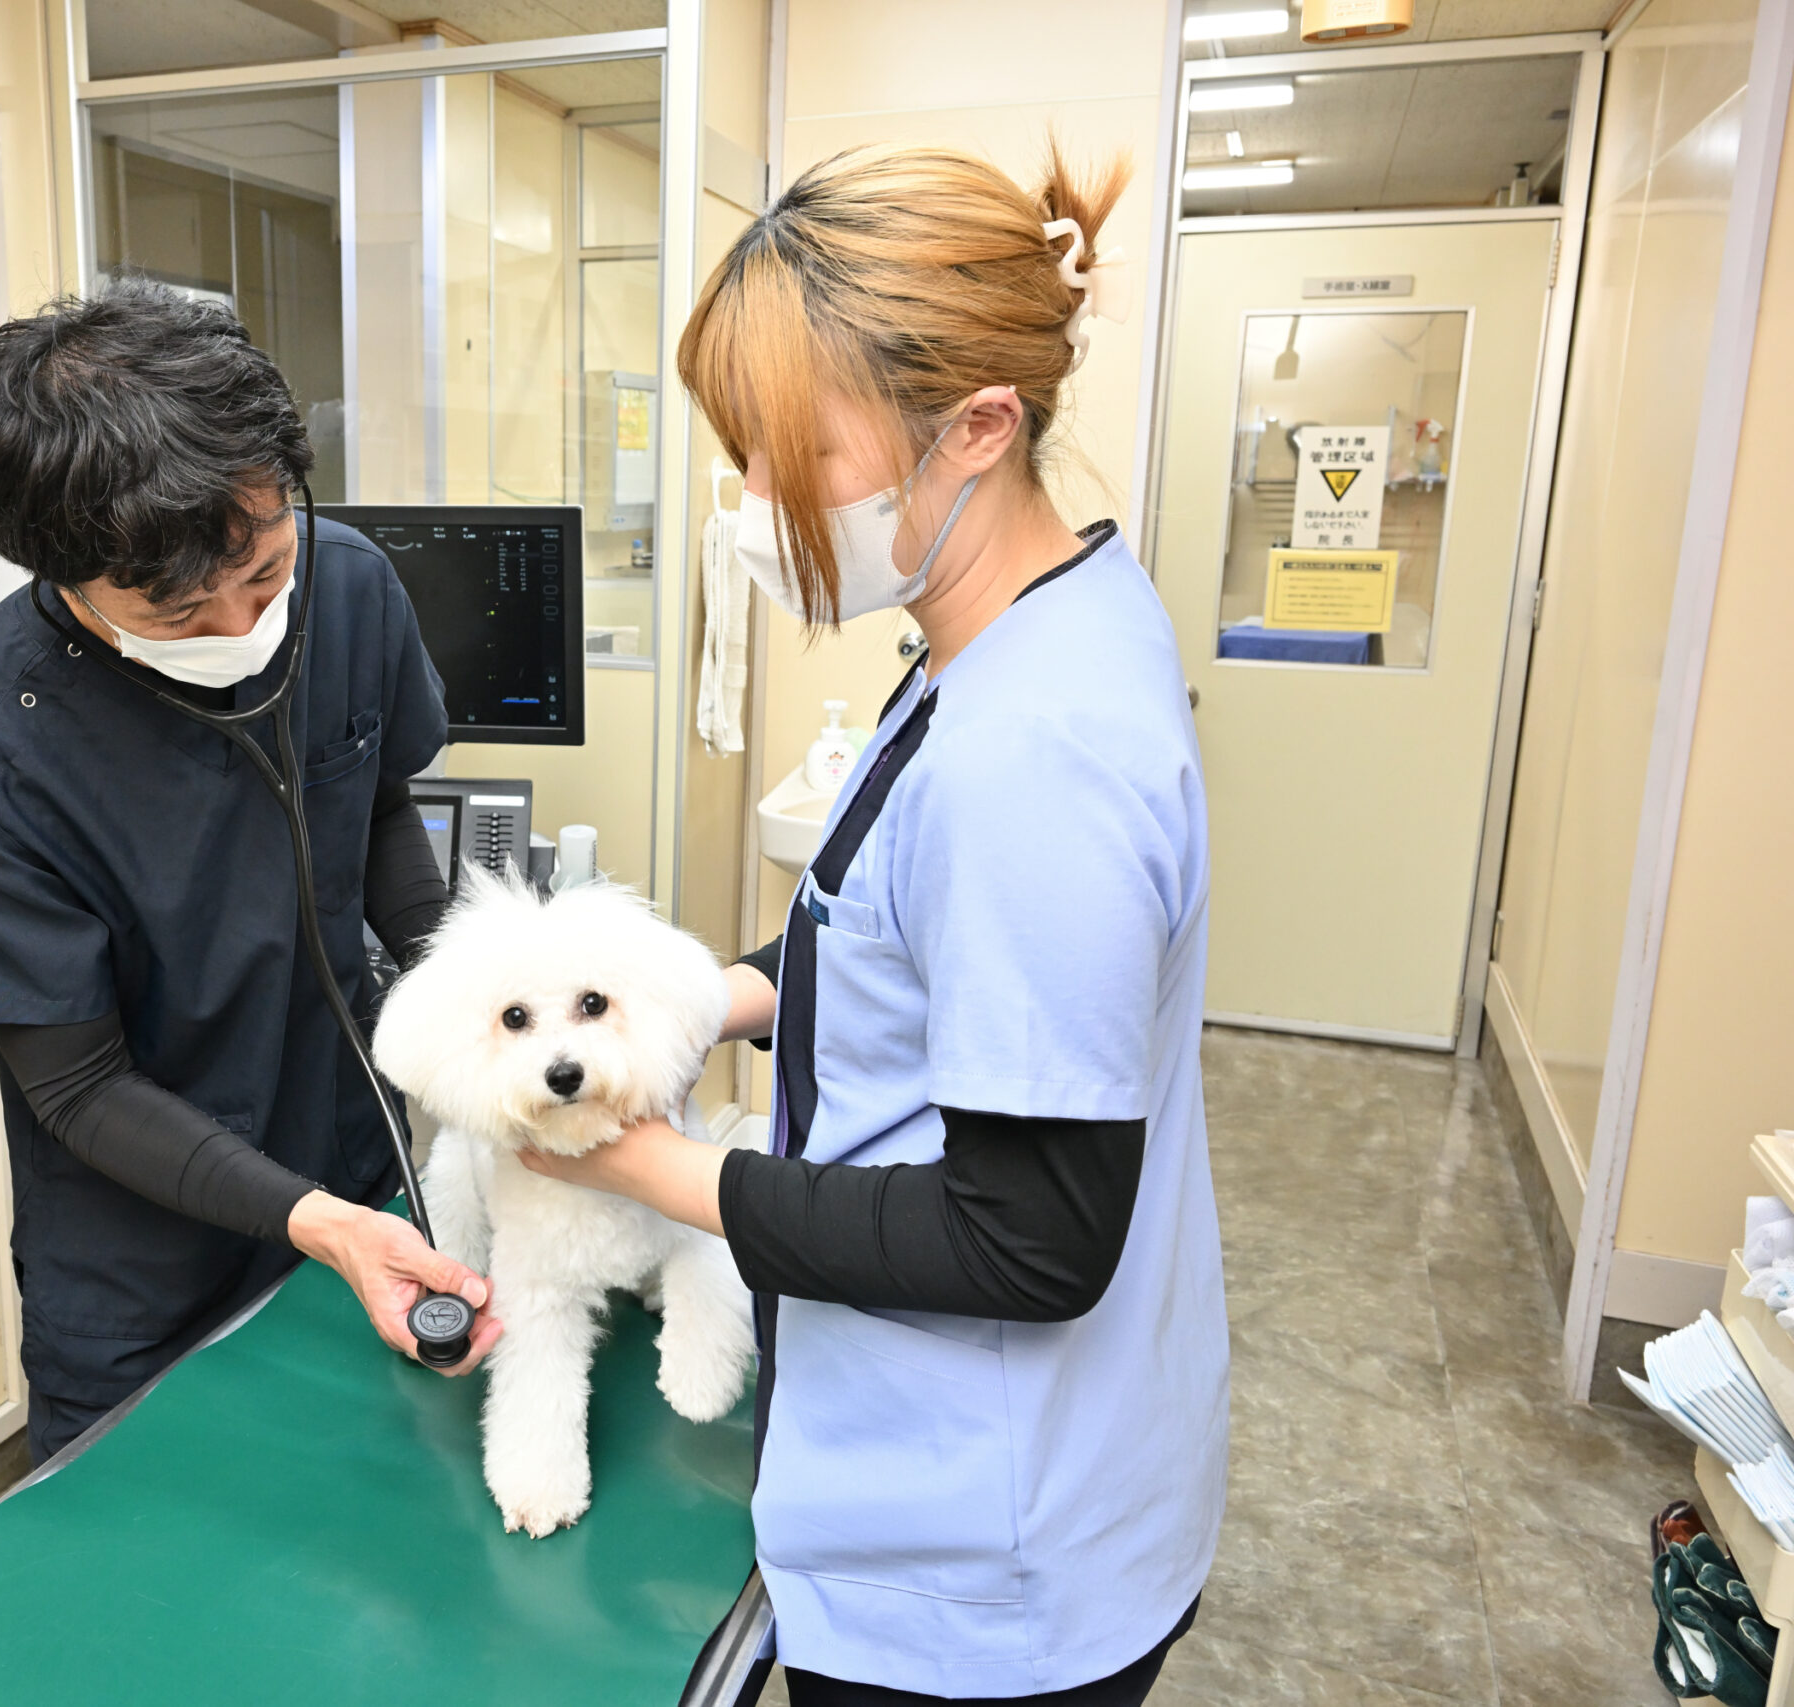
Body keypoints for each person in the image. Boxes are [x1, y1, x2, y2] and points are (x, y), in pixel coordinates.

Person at [521, 143, 1227, 1704]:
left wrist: (651, 1167)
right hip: (1012, 1470)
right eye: (741, 453)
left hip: (987, 1557)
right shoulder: (1012, 631)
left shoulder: (1032, 749)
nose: (755, 501)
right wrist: (707, 994)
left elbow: (1029, 1235)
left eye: (789, 454)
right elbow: (901, 928)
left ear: (978, 425)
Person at [0, 282, 500, 1463]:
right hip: (140, 1261)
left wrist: (483, 1014)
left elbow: (375, 807)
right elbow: (78, 1088)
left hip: (354, 1169)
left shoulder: (348, 588)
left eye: (263, 572)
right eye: (176, 613)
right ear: (59, 574)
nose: (238, 624)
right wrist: (316, 1222)